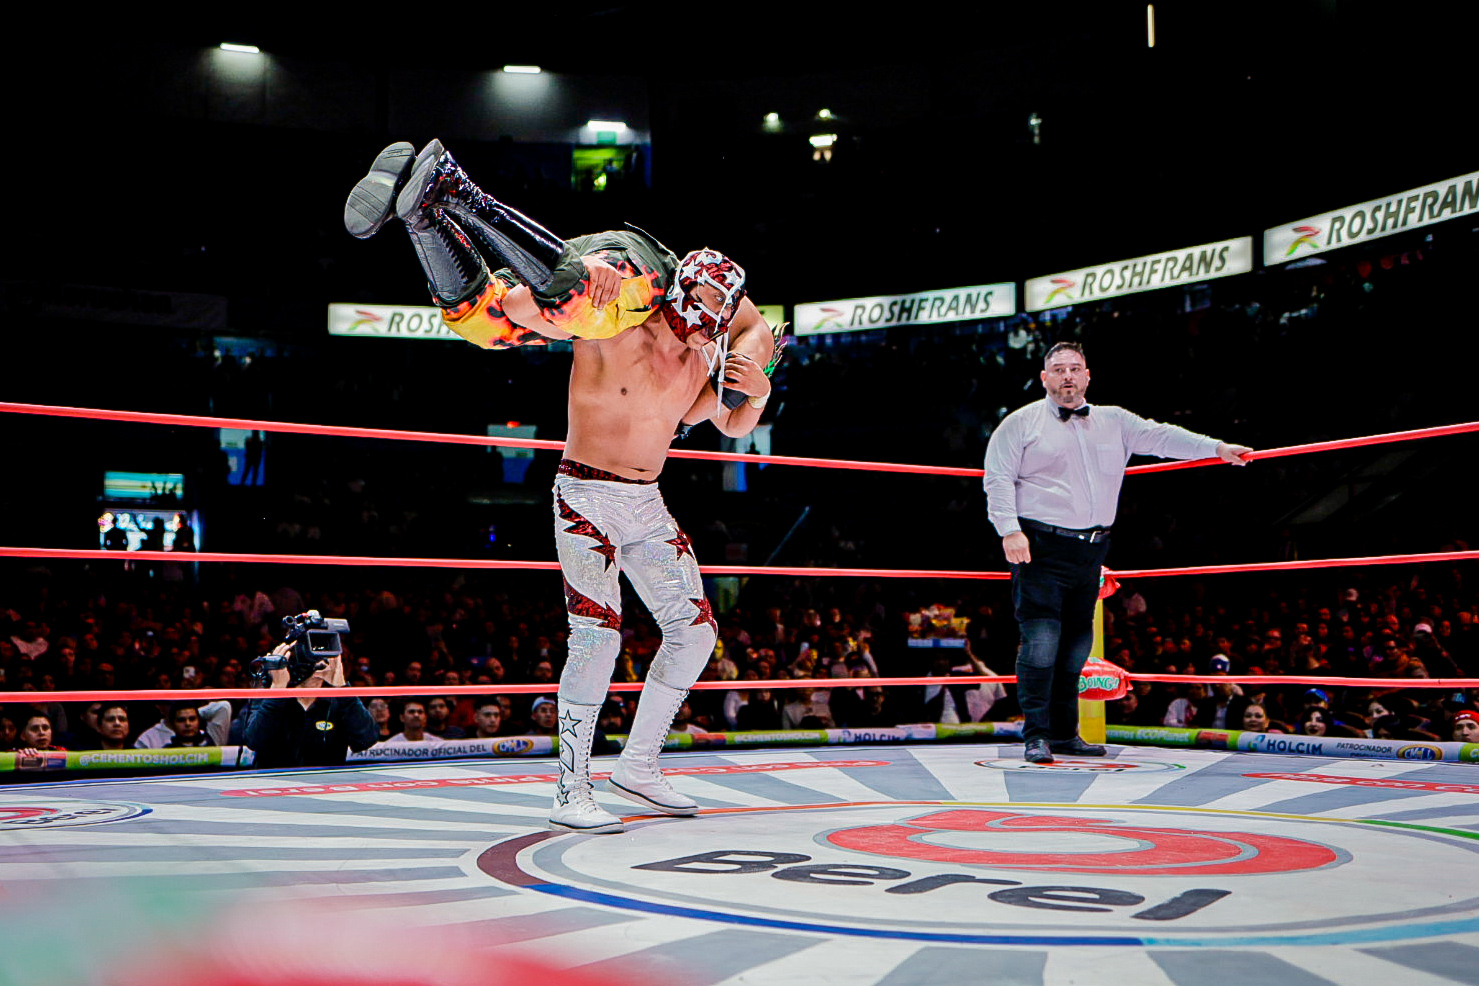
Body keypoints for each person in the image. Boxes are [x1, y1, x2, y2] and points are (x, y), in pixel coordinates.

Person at [346, 139, 779, 835]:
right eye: (694, 308)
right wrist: (578, 277)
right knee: (597, 639)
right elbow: (528, 306)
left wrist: (756, 391)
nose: (699, 324)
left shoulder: (704, 356)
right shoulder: (620, 326)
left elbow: (727, 422)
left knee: (697, 633)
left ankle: (638, 766)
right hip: (584, 494)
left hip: (646, 501)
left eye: (712, 316)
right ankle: (569, 787)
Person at [984, 341, 1252, 763]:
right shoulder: (1018, 423)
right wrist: (1009, 530)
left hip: (1091, 548)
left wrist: (1216, 448)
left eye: (1075, 368)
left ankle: (1064, 734)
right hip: (1039, 546)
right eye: (1059, 369)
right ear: (1044, 378)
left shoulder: (1114, 420)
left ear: (1087, 375)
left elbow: (1162, 436)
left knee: (1076, 647)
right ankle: (1035, 735)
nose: (1068, 376)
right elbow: (997, 478)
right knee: (1040, 643)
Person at [242, 641, 377, 768]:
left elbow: (366, 740)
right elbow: (254, 740)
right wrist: (278, 688)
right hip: (274, 782)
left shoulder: (340, 700)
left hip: (324, 783)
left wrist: (341, 688)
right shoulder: (270, 694)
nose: (318, 660)